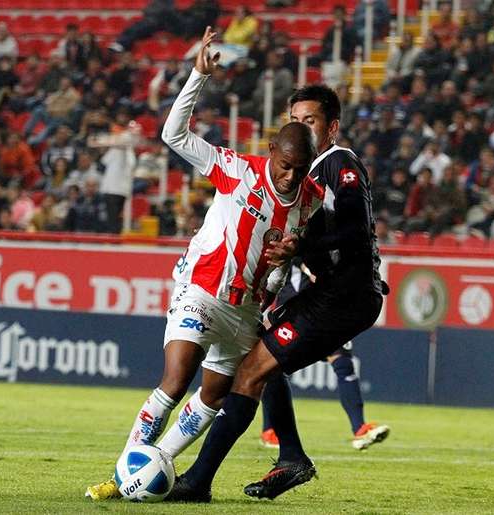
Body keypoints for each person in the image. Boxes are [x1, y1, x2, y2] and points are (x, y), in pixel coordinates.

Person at [85, 27, 321, 501]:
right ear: (271, 151)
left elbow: (281, 261)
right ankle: (122, 474)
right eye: (285, 165)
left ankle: (156, 469)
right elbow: (172, 133)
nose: (291, 176)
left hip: (247, 312)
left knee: (211, 397)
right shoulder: (238, 169)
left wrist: (282, 267)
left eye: (301, 168)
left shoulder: (311, 200)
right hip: (203, 290)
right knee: (174, 383)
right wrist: (196, 77)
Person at [165, 82, 385, 503]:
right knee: (259, 357)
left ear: (331, 128)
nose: (302, 127)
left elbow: (355, 227)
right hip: (332, 292)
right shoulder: (301, 179)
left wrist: (302, 247)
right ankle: (290, 455)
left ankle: (198, 481)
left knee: (249, 371)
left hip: (346, 294)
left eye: (311, 121)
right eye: (295, 121)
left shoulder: (338, 162)